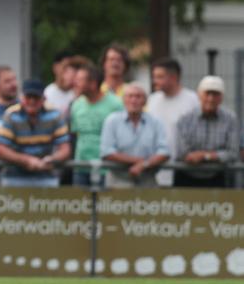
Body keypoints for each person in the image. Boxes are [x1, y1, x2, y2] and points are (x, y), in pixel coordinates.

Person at [0, 79, 70, 188]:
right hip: (14, 177)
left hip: (46, 176)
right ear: (21, 97)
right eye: (28, 97)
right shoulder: (11, 115)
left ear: (44, 99)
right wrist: (26, 160)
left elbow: (65, 149)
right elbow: (0, 149)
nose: (32, 101)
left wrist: (51, 159)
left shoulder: (55, 115)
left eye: (36, 97)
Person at [100, 82, 169, 188]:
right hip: (118, 182)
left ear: (145, 101)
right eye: (130, 96)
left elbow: (164, 152)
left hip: (147, 182)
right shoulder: (112, 120)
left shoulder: (156, 122)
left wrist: (144, 165)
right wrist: (140, 162)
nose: (134, 100)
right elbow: (107, 152)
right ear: (123, 100)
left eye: (138, 96)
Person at [175, 76, 240, 189]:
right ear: (199, 95)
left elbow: (233, 152)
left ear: (221, 97)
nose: (211, 98)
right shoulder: (185, 118)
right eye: (207, 94)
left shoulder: (230, 119)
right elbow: (182, 152)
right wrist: (216, 156)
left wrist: (205, 156)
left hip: (218, 178)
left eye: (215, 94)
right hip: (186, 177)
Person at [147, 58, 200, 186]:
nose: (155, 81)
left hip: (184, 170)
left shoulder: (192, 100)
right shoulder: (152, 100)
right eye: (154, 77)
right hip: (155, 168)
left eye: (159, 77)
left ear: (173, 77)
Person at [70, 65, 123, 186]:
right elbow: (74, 134)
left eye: (79, 80)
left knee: (105, 204)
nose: (75, 83)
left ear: (93, 84)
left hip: (107, 168)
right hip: (80, 167)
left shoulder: (116, 104)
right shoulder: (76, 105)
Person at [43, 51, 77, 117]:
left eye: (72, 68)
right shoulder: (47, 93)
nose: (70, 72)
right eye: (65, 67)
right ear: (55, 67)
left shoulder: (78, 92)